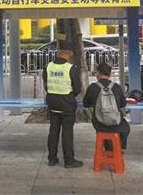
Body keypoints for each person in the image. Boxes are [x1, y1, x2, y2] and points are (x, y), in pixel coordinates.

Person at [42, 39, 83, 168]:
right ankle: (69, 161)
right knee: (67, 132)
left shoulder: (48, 67)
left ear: (59, 52)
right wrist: (68, 95)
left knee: (53, 131)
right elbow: (77, 88)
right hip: (67, 105)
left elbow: (46, 85)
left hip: (52, 103)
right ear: (70, 53)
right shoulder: (71, 68)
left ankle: (52, 159)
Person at [83, 62, 130, 151]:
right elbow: (123, 104)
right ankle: (118, 149)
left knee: (105, 132)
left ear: (97, 74)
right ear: (110, 74)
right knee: (125, 128)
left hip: (99, 124)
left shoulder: (92, 87)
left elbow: (85, 104)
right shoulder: (116, 87)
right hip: (116, 123)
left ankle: (110, 150)